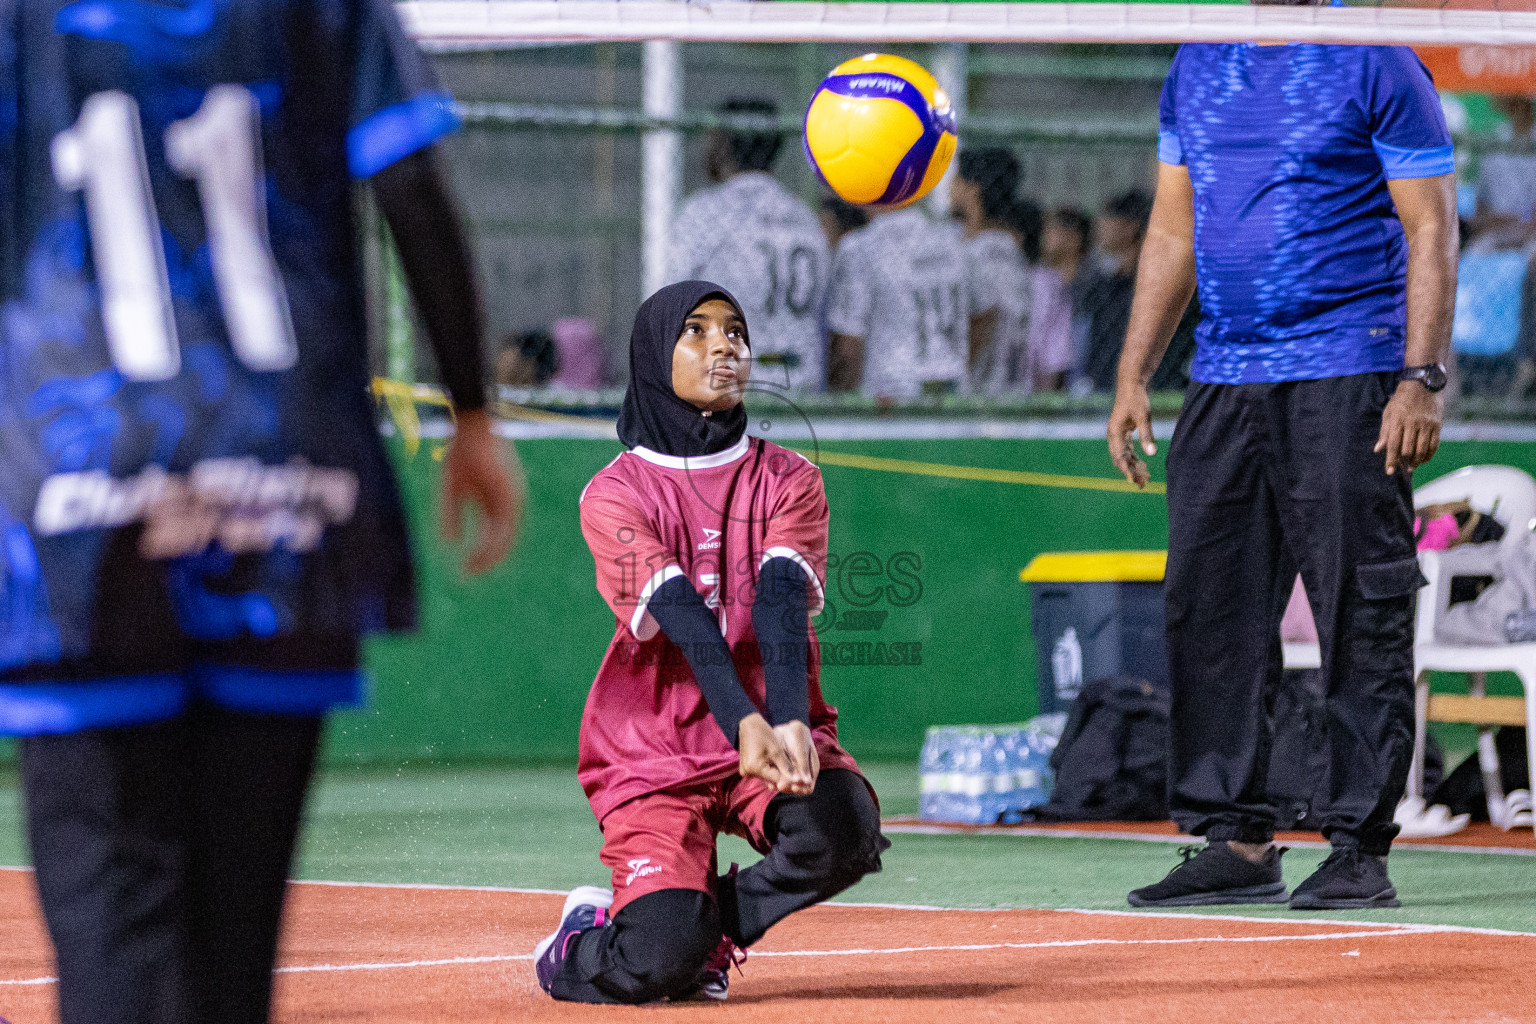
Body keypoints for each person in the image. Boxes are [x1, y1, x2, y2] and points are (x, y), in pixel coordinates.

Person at [0, 1, 521, 1021]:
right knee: (232, 953)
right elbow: (410, 181)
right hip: (288, 480)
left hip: (76, 486)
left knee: (113, 922)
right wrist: (471, 412)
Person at [1108, 41, 1457, 910]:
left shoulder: (1377, 60)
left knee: (1359, 611)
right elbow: (1172, 228)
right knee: (1209, 608)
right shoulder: (1195, 63)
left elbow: (1430, 225)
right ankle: (1236, 839)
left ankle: (1358, 846)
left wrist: (1420, 378)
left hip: (1350, 367)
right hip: (1223, 376)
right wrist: (1133, 373)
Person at [536, 281, 887, 1004]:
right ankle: (579, 944)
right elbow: (683, 616)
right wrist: (743, 720)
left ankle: (711, 930)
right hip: (654, 753)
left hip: (766, 725)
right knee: (657, 962)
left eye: (735, 331)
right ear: (651, 354)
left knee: (842, 826)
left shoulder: (790, 477)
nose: (724, 345)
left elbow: (781, 602)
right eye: (695, 331)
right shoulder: (616, 492)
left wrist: (788, 719)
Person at [666, 99, 830, 392]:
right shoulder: (803, 216)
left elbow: (671, 304)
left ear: (724, 145)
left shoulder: (705, 212)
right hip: (802, 378)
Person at [826, 205, 973, 400]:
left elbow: (847, 348)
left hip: (890, 393)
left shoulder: (861, 247)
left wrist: (839, 404)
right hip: (951, 387)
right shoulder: (952, 241)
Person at [952, 148, 1035, 395]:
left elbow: (984, 319)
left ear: (972, 190)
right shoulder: (1009, 251)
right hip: (1009, 393)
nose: (951, 186)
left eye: (957, 179)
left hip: (982, 396)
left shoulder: (981, 254)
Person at [1078, 191, 1153, 392]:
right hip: (1101, 382)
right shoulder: (1100, 277)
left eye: (1108, 219)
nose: (1100, 226)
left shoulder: (1147, 281)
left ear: (1131, 226)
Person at [1029, 207, 1091, 394]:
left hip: (1075, 370)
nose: (1047, 234)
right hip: (1035, 366)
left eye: (1054, 228)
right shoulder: (1036, 276)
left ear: (1074, 238)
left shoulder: (1089, 280)